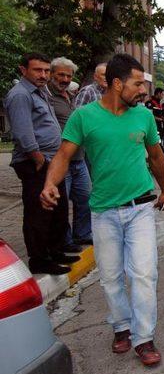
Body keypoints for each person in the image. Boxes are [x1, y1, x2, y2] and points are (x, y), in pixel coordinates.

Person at [40, 54, 164, 366]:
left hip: (140, 207)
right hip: (103, 211)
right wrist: (50, 184)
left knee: (144, 274)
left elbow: (156, 156)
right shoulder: (84, 117)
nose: (142, 90)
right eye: (137, 83)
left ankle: (144, 338)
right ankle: (121, 327)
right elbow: (63, 154)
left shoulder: (144, 117)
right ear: (116, 83)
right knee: (111, 277)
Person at [4, 53, 77, 275]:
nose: (43, 75)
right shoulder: (20, 95)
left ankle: (55, 251)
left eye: (46, 70)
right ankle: (39, 259)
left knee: (58, 209)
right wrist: (39, 160)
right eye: (38, 70)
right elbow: (23, 133)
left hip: (52, 161)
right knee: (39, 212)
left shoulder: (41, 92)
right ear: (23, 70)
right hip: (35, 161)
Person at [46, 57, 92, 247]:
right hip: (61, 159)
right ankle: (63, 241)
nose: (65, 79)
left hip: (78, 159)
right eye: (61, 75)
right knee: (61, 204)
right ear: (51, 74)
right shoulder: (46, 97)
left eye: (68, 76)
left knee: (85, 197)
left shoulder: (71, 96)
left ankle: (81, 234)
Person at [145, 88, 164, 158]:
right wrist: (161, 119)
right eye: (162, 94)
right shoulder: (150, 103)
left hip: (159, 129)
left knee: (160, 149)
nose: (162, 96)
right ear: (158, 93)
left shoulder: (159, 104)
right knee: (153, 148)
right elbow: (149, 116)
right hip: (152, 129)